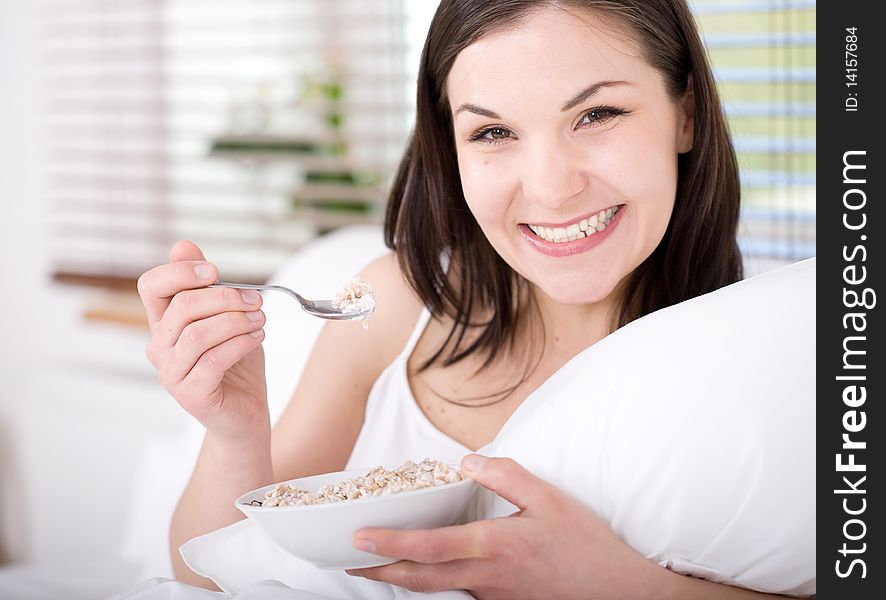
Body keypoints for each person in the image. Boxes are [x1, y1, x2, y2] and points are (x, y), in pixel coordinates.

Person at [137, 1, 783, 598]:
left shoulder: (767, 364)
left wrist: (615, 584)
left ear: (686, 114)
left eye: (596, 115)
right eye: (494, 133)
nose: (552, 189)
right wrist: (235, 436)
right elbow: (206, 580)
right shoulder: (396, 307)